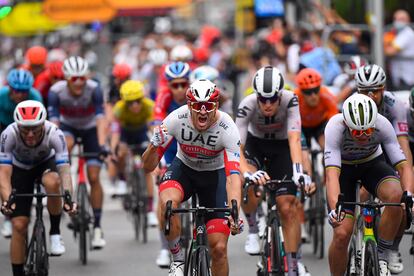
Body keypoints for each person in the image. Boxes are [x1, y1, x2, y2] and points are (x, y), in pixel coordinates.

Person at [142, 79, 242, 276]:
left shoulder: (227, 127)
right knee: (168, 204)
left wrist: (235, 210)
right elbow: (148, 166)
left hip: (215, 178)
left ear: (217, 106)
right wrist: (153, 145)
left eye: (208, 106)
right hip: (184, 170)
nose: (202, 111)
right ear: (189, 106)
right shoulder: (175, 119)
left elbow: (233, 176)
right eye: (197, 106)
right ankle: (177, 259)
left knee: (219, 250)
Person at [325, 94, 413, 276]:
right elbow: (332, 174)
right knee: (342, 234)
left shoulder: (382, 124)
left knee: (396, 196)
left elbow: (403, 166)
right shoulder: (335, 127)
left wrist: (409, 195)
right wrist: (335, 209)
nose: (363, 136)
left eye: (368, 131)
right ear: (347, 125)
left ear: (374, 124)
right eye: (357, 132)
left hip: (371, 163)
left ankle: (382, 256)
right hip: (344, 169)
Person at [235, 66, 311, 276]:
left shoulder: (291, 100)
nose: (268, 104)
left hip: (282, 148)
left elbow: (295, 138)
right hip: (255, 146)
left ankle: (294, 265)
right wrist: (248, 173)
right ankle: (252, 228)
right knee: (245, 182)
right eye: (263, 99)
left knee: (287, 207)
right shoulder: (247, 104)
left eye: (272, 99)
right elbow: (237, 147)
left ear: (280, 94)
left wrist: (298, 171)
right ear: (256, 96)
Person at [0, 100, 77, 276]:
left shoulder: (55, 133)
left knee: (53, 181)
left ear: (43, 123)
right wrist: (7, 200)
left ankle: (55, 233)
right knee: (19, 225)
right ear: (17, 125)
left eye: (35, 128)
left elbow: (64, 170)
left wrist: (68, 198)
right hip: (20, 169)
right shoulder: (8, 135)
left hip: (45, 164)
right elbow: (3, 173)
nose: (30, 134)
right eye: (25, 129)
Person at [355, 64, 412, 274]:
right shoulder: (351, 105)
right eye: (364, 91)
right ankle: (358, 239)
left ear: (383, 88)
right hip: (361, 154)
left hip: (389, 150)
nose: (370, 96)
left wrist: (408, 186)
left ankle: (392, 249)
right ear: (357, 91)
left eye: (375, 90)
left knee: (401, 205)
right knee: (360, 193)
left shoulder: (394, 105)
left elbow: (403, 145)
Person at [48, 56, 107, 249]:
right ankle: (69, 181)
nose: (79, 82)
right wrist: (57, 152)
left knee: (94, 176)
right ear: (66, 79)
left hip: (90, 128)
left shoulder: (94, 88)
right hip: (68, 127)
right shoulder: (56, 92)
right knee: (66, 144)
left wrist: (101, 145)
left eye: (82, 77)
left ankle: (97, 227)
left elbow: (100, 119)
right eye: (74, 79)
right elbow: (54, 125)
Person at [152, 61, 192, 268]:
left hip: (191, 145)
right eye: (174, 85)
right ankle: (163, 248)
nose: (179, 89)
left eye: (183, 84)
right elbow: (158, 131)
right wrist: (159, 162)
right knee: (164, 200)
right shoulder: (163, 98)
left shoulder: (194, 96)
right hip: (170, 145)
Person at [0, 69, 43, 238]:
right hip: (4, 127)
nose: (19, 95)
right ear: (9, 88)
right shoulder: (2, 96)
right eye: (16, 91)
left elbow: (41, 124)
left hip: (27, 130)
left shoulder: (35, 97)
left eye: (23, 91)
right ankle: (8, 213)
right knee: (4, 171)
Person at [110, 80, 158, 226]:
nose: (135, 105)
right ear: (125, 102)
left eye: (138, 101)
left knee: (147, 171)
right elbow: (115, 132)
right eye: (130, 103)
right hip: (126, 133)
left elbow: (153, 129)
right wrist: (114, 150)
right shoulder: (118, 109)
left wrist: (155, 146)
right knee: (121, 152)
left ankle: (150, 211)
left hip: (142, 132)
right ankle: (123, 179)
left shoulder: (149, 106)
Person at [294, 68, 338, 149]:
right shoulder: (295, 96)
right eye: (308, 92)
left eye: (316, 90)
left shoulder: (325, 94)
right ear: (301, 92)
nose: (313, 96)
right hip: (302, 126)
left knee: (326, 145)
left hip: (320, 125)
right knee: (303, 151)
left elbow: (334, 118)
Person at [384, 9, 414, 90]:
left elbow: (390, 51)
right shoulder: (397, 34)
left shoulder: (407, 34)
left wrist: (379, 38)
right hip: (399, 78)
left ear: (408, 20)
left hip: (406, 79)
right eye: (396, 19)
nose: (398, 22)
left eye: (401, 19)